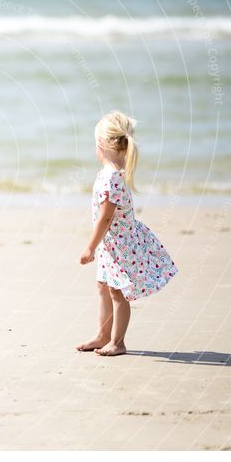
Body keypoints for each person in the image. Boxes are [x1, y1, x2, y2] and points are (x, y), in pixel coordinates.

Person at [76, 110, 178, 356]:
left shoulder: (110, 179)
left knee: (117, 291)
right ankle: (102, 335)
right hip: (113, 244)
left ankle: (118, 342)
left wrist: (90, 247)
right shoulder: (112, 174)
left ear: (101, 145)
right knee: (103, 285)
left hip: (120, 246)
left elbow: (106, 218)